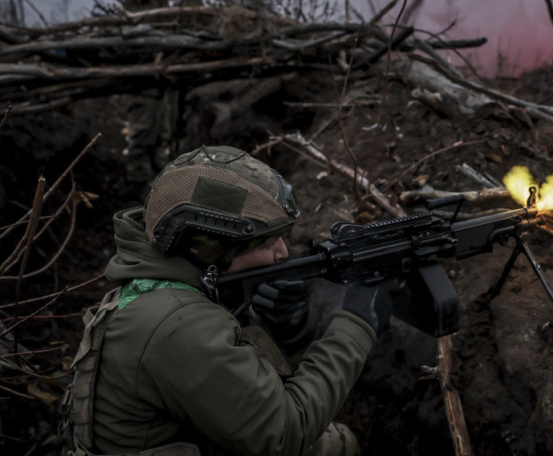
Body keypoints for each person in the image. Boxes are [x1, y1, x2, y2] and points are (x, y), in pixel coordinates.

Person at [61, 145, 393, 456]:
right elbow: (284, 433)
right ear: (210, 248)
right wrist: (355, 326)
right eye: (266, 244)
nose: (283, 253)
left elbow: (230, 366)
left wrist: (286, 327)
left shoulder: (161, 289)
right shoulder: (177, 323)